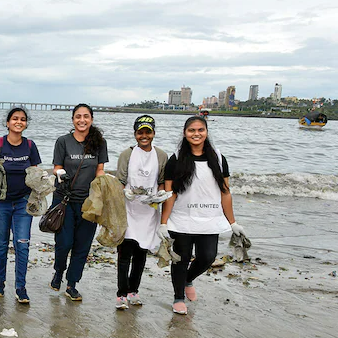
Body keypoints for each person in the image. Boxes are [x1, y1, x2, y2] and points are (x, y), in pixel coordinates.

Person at [159, 116, 245, 315]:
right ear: (185, 133)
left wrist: (233, 222)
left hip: (209, 218)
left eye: (200, 130)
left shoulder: (218, 158)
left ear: (206, 132)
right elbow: (170, 193)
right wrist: (163, 222)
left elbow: (225, 192)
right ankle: (178, 296)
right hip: (182, 218)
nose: (196, 134)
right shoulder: (176, 158)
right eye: (191, 130)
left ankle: (188, 279)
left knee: (207, 257)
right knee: (181, 258)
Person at [50, 103, 108, 301]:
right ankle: (58, 271)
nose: (82, 120)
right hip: (64, 200)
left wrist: (103, 186)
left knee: (82, 246)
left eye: (86, 116)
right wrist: (61, 173)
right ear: (73, 119)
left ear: (91, 119)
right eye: (78, 117)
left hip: (89, 203)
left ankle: (72, 284)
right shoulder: (63, 141)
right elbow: (56, 167)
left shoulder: (99, 143)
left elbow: (99, 170)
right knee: (64, 243)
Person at [0, 107, 41, 303]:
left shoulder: (30, 146)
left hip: (23, 202)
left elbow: (35, 172)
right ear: (7, 123)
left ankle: (21, 287)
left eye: (23, 119)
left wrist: (43, 181)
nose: (19, 122)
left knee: (22, 244)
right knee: (1, 245)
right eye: (15, 119)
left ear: (26, 124)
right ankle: (0, 283)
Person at [114, 115, 168, 309]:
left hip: (148, 211)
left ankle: (133, 291)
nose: (144, 136)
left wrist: (161, 193)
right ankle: (121, 294)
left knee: (141, 253)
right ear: (135, 134)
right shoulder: (126, 155)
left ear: (153, 133)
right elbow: (120, 181)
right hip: (129, 210)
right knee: (125, 252)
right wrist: (124, 192)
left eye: (148, 132)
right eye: (140, 132)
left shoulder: (161, 155)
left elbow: (161, 180)